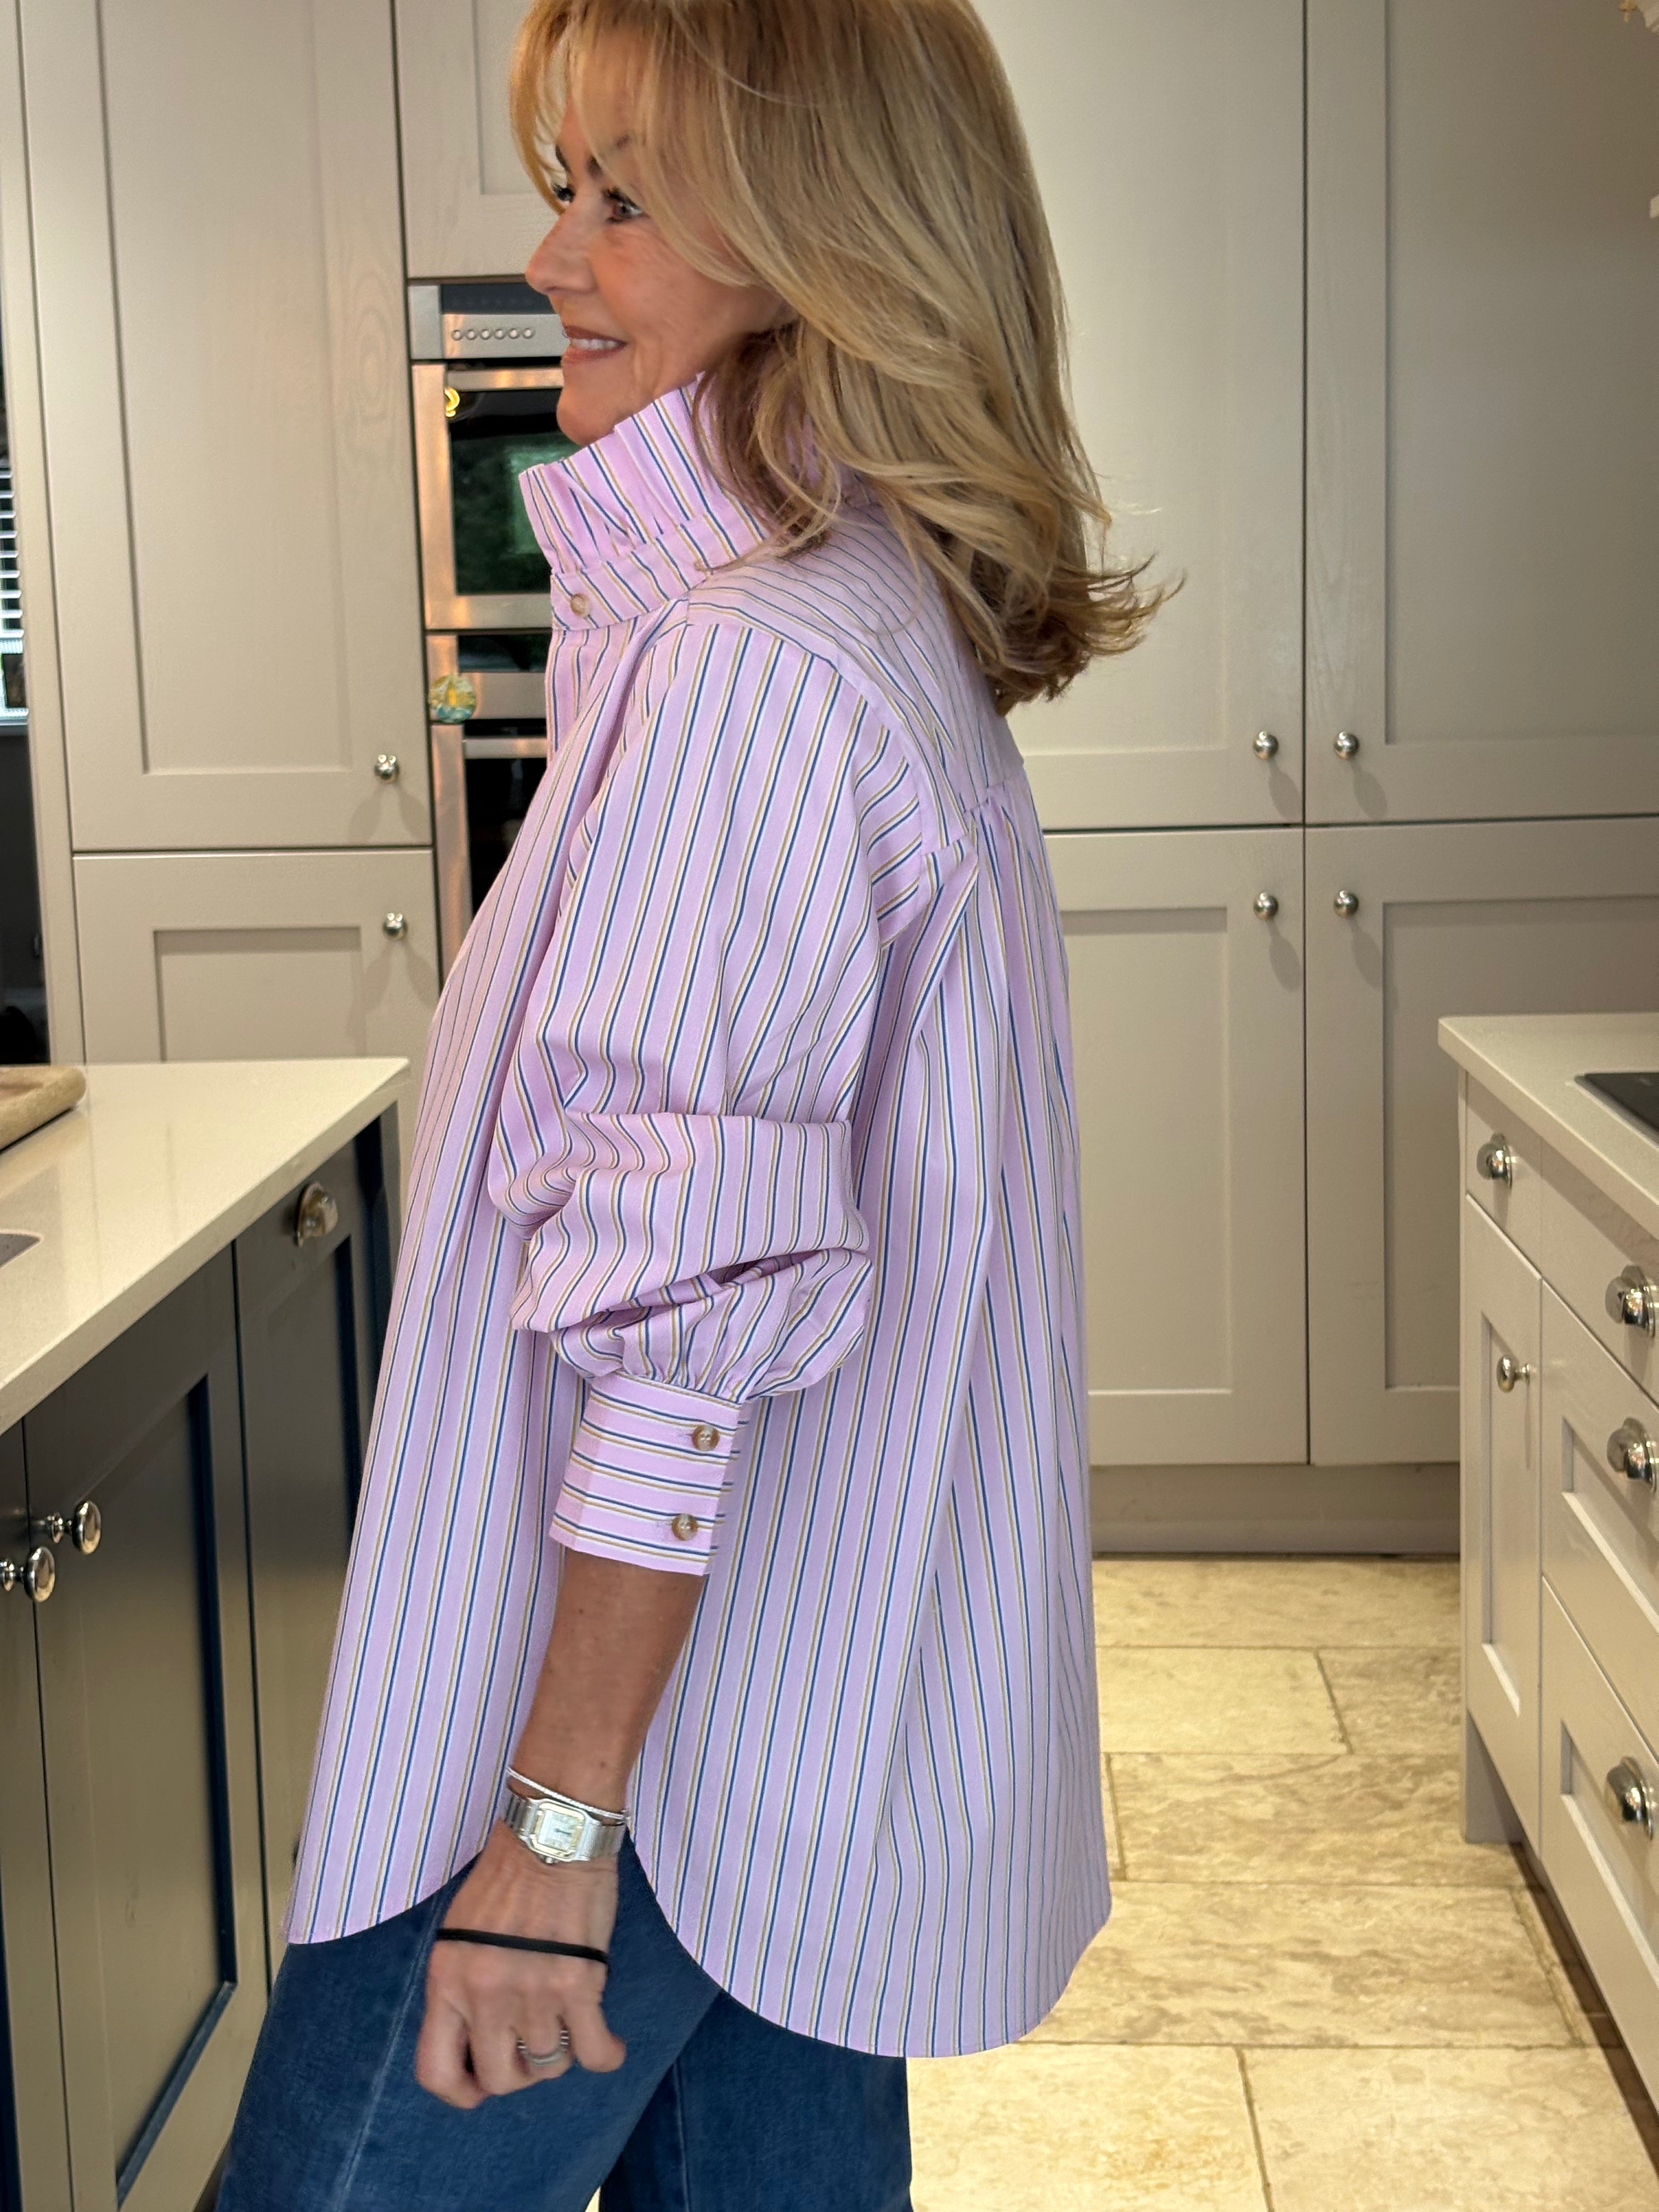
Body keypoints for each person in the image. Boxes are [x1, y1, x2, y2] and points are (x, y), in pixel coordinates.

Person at [217, 0, 1163, 2204]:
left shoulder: (750, 668)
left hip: (626, 1763)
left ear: (827, 245)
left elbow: (679, 1327)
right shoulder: (847, 617)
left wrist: (550, 1828)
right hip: (796, 1743)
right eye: (570, 185)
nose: (555, 255)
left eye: (624, 200)